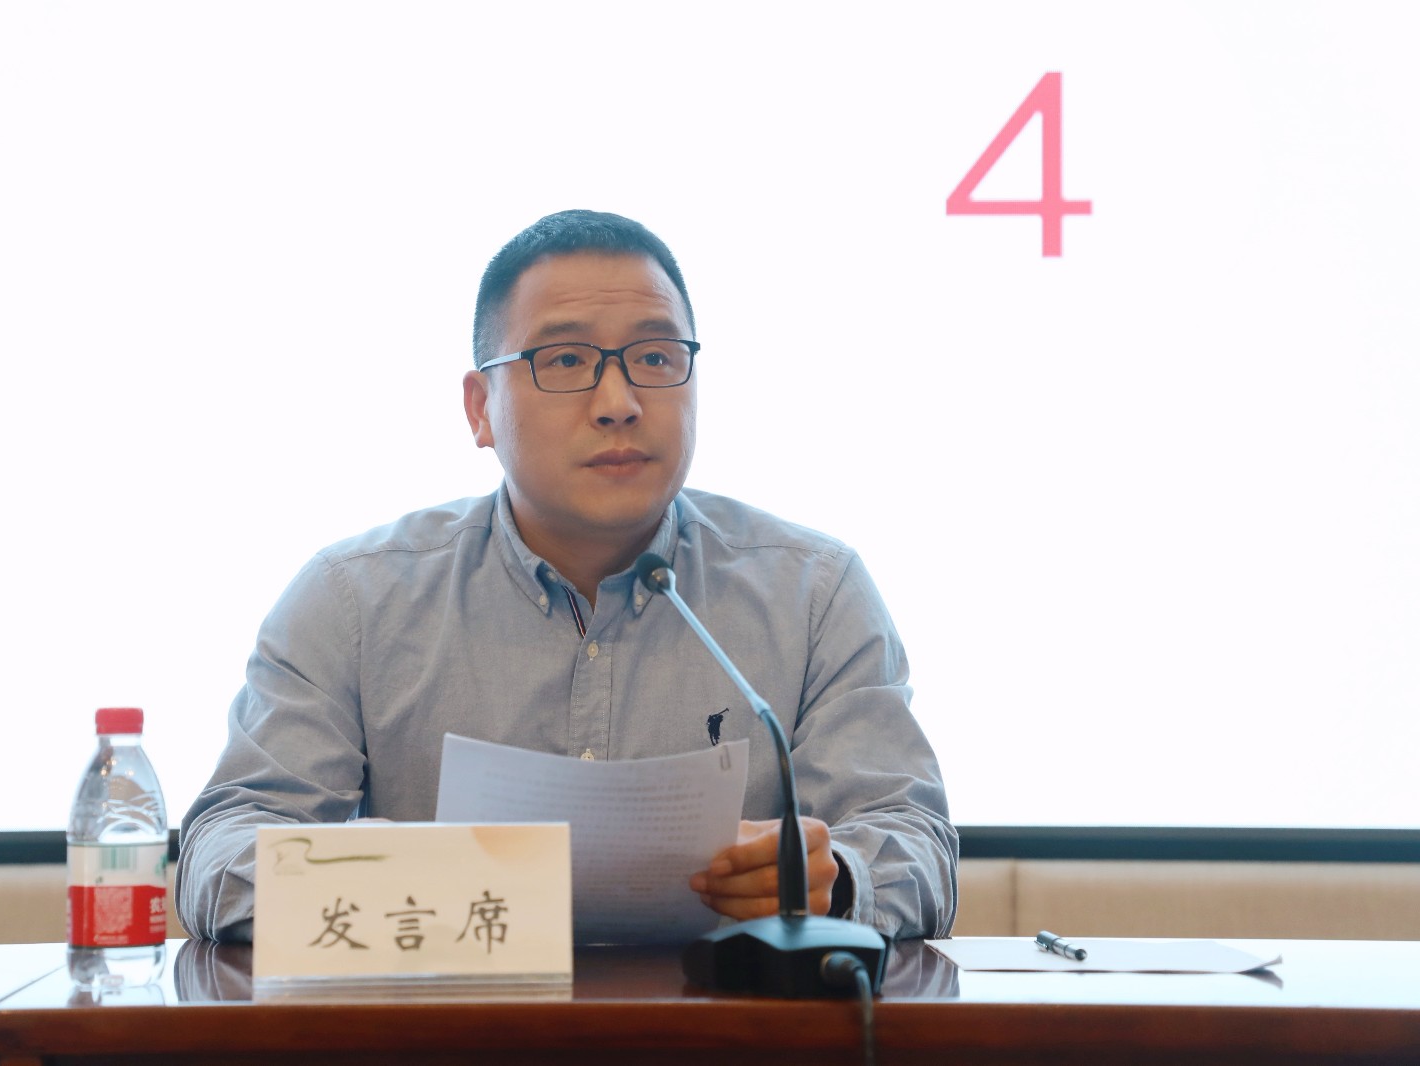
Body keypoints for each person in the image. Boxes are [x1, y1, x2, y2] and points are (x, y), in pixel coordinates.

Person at [177, 210, 958, 942]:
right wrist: (387, 875)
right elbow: (220, 850)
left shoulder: (814, 594)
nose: (618, 402)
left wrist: (836, 882)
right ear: (480, 408)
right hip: (450, 1023)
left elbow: (914, 838)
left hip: (723, 1023)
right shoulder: (354, 599)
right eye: (566, 361)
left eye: (655, 358)